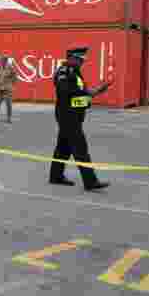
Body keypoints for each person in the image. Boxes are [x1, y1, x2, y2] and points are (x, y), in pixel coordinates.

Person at [49, 47, 113, 191]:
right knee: (80, 148)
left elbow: (79, 94)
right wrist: (89, 92)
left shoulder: (75, 72)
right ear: (71, 58)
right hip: (68, 116)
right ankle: (90, 182)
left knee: (63, 148)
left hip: (73, 115)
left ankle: (55, 176)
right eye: (79, 60)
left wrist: (95, 92)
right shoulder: (64, 72)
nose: (82, 62)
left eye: (82, 60)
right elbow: (65, 91)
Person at [0, 55, 18, 123]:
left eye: (2, 60)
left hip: (7, 88)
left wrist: (11, 85)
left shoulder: (10, 67)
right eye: (1, 60)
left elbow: (15, 77)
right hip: (0, 87)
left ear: (5, 61)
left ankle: (9, 118)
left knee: (8, 103)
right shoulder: (0, 67)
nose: (1, 61)